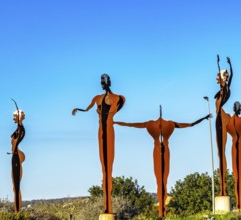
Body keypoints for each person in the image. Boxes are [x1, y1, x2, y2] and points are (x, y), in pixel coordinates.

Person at [114, 107, 211, 217]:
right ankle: (161, 211)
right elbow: (131, 124)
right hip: (158, 152)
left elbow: (190, 124)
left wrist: (204, 118)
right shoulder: (160, 124)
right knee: (160, 182)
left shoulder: (166, 124)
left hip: (163, 152)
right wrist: (116, 122)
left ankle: (162, 211)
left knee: (163, 181)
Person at [72, 74, 125, 214]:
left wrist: (105, 113)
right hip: (100, 132)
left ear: (109, 82)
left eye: (104, 81)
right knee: (103, 167)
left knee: (109, 167)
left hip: (109, 131)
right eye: (101, 81)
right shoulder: (97, 98)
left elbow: (114, 110)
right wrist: (78, 109)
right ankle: (106, 206)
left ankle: (109, 206)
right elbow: (88, 108)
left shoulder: (118, 98)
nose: (102, 83)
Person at [226, 85, 241, 210]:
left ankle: (239, 203)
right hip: (240, 146)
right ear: (239, 109)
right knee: (240, 175)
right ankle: (239, 203)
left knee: (237, 175)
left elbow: (219, 110)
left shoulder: (229, 121)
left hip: (234, 147)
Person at [214, 55, 233, 196]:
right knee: (220, 152)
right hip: (218, 119)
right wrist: (218, 64)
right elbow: (221, 74)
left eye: (224, 77)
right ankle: (222, 187)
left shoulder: (226, 87)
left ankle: (223, 187)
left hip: (222, 118)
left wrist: (230, 64)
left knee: (222, 151)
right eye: (222, 76)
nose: (224, 78)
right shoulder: (221, 89)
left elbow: (232, 75)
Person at [10, 108, 25, 213]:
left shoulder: (21, 129)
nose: (13, 118)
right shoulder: (19, 129)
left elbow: (17, 141)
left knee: (16, 187)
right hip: (15, 157)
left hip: (16, 158)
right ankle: (17, 211)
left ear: (18, 116)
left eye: (14, 116)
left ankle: (17, 212)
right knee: (15, 188)